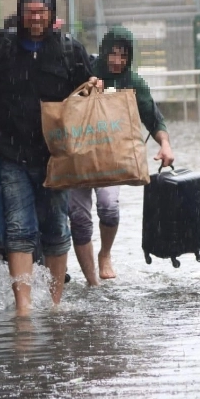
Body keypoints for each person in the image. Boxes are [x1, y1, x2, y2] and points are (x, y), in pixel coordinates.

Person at [0, 0, 98, 314]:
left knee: (56, 226)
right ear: (20, 13)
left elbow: (89, 91)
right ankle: (24, 307)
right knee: (18, 226)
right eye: (30, 11)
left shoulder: (70, 51)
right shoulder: (3, 47)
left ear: (51, 15)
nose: (35, 18)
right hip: (11, 151)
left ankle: (56, 303)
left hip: (55, 156)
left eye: (41, 12)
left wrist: (97, 85)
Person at [67, 26, 175, 285]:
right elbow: (63, 104)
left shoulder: (133, 82)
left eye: (123, 55)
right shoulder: (85, 71)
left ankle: (105, 254)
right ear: (104, 52)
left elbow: (153, 118)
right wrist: (88, 88)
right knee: (79, 217)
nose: (117, 60)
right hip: (77, 157)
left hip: (110, 158)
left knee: (109, 208)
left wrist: (165, 144)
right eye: (112, 54)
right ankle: (91, 278)